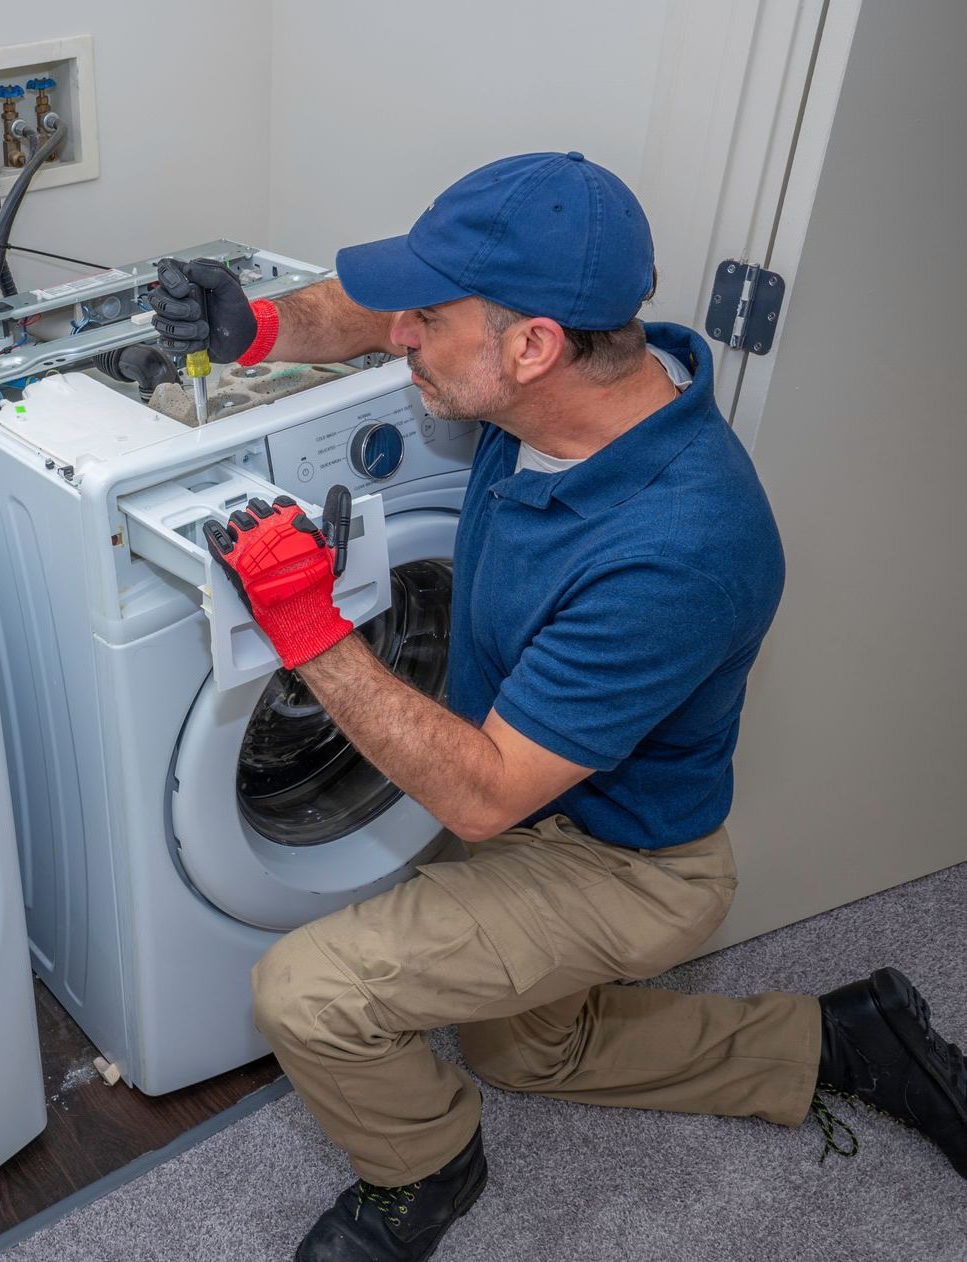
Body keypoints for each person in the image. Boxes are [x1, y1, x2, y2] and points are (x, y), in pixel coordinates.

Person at [149, 151, 967, 1262]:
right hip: (537, 800)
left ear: (531, 345)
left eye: (427, 322)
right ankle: (839, 1040)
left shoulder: (685, 542)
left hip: (620, 861)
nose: (399, 338)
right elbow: (365, 308)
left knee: (306, 991)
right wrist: (254, 326)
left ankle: (426, 1168)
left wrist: (307, 629)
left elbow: (483, 798)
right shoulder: (564, 371)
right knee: (525, 1050)